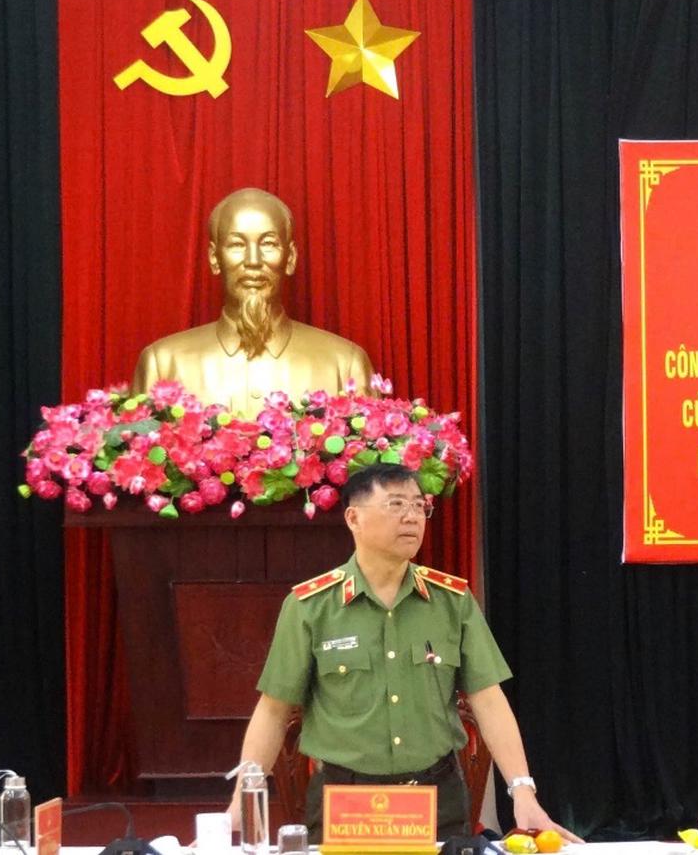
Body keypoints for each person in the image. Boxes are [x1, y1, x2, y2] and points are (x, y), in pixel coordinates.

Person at [230, 463, 579, 843]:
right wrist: (240, 806)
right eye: (396, 504)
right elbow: (273, 710)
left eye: (418, 506)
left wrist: (523, 792)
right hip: (345, 804)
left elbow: (488, 700)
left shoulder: (452, 601)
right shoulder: (311, 607)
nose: (412, 517)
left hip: (436, 799)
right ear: (353, 518)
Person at [132, 187, 374, 417]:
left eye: (268, 243)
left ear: (290, 257)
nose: (253, 260)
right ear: (214, 258)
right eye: (237, 244)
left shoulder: (345, 364)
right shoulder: (163, 364)